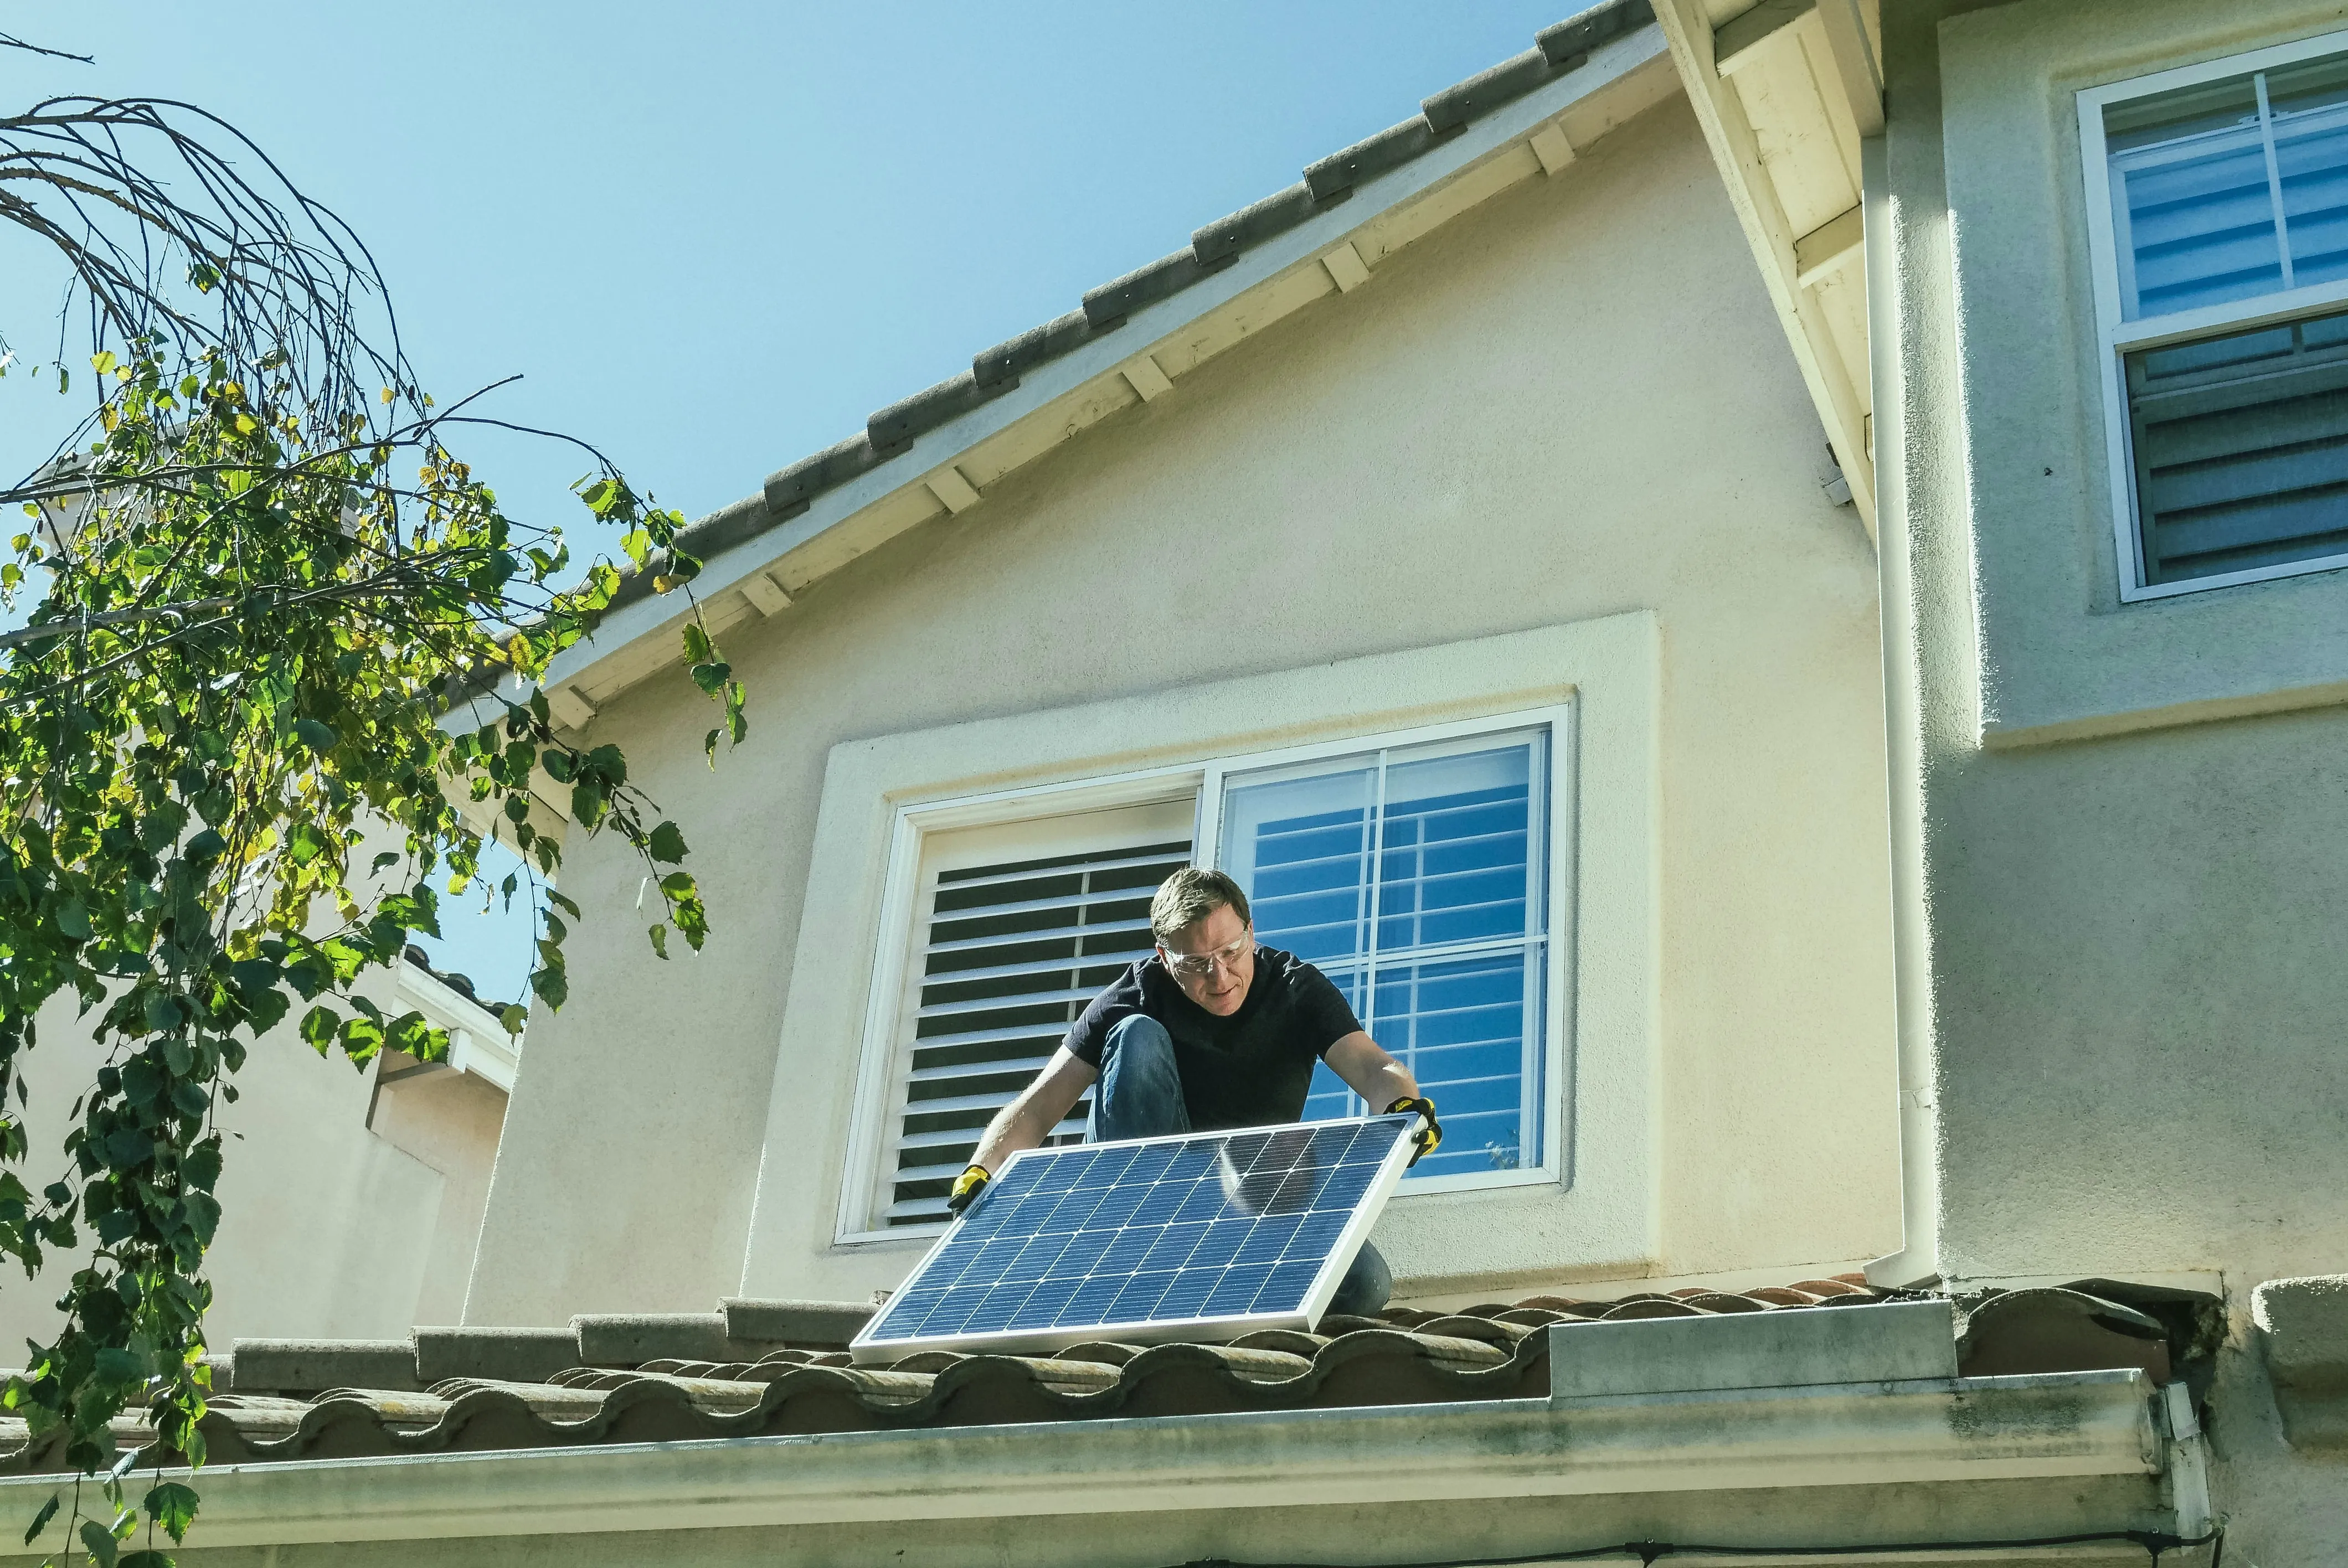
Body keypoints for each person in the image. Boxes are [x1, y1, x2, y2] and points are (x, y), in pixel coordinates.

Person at [944, 867, 1440, 1316]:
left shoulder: (1295, 989)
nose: (1220, 977)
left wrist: (1402, 1108)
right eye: (1197, 964)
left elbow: (1373, 1066)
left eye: (1230, 953)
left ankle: (1219, 1293)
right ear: (1164, 956)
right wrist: (981, 1171)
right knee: (1136, 1035)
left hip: (1249, 1204)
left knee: (1366, 1284)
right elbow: (1036, 1109)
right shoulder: (1131, 996)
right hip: (1145, 1202)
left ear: (1252, 932)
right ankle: (1138, 1253)